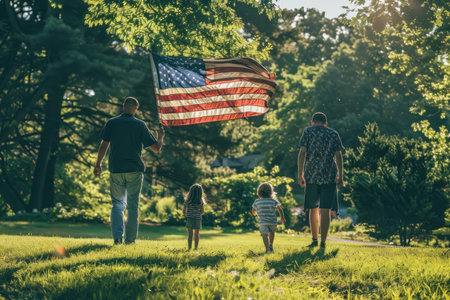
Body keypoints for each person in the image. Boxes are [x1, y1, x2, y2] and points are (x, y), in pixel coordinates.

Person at [94, 97, 165, 245]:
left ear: (123, 106)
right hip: (134, 169)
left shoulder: (112, 122)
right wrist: (160, 137)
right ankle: (130, 241)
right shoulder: (140, 125)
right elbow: (156, 149)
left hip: (116, 169)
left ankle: (117, 238)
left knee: (117, 204)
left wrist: (98, 164)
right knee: (133, 205)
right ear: (136, 109)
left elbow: (104, 145)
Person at [297, 112, 344, 248]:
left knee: (313, 208)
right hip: (329, 176)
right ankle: (323, 242)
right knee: (325, 209)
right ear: (325, 123)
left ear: (312, 122)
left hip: (311, 175)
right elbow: (338, 156)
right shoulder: (333, 133)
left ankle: (314, 240)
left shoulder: (308, 132)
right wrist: (341, 175)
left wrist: (301, 174)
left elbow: (302, 153)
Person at [252, 182, 286, 254]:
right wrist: (282, 218)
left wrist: (254, 213)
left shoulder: (257, 202)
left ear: (259, 193)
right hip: (272, 221)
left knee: (264, 235)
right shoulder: (273, 201)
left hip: (263, 222)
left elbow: (253, 210)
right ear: (271, 192)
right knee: (272, 233)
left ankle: (267, 249)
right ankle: (270, 246)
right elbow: (280, 209)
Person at [183, 184, 206, 251]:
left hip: (190, 218)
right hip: (197, 219)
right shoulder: (201, 201)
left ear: (191, 191)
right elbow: (202, 212)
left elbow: (184, 211)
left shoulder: (187, 200)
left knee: (190, 234)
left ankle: (189, 248)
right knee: (196, 234)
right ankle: (195, 248)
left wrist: (188, 213)